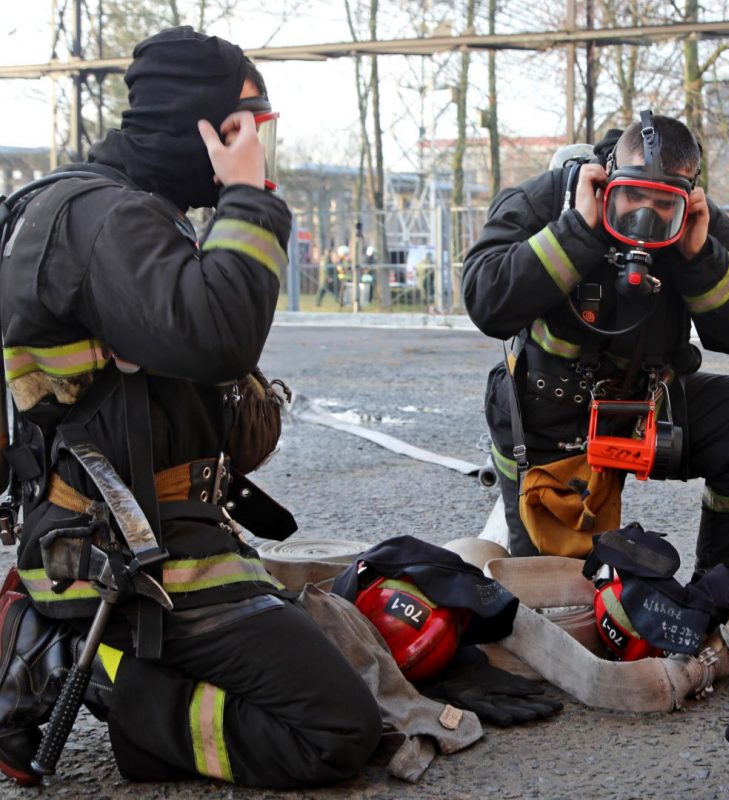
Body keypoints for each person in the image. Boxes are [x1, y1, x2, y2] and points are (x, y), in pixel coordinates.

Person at [0, 27, 380, 788]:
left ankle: (65, 646)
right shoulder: (110, 222)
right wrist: (250, 196)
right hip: (130, 561)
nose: (257, 147)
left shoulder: (102, 210)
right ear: (202, 125)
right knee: (334, 729)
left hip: (135, 534)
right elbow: (220, 339)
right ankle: (83, 665)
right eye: (246, 129)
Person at [462, 112, 729, 592]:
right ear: (608, 181)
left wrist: (698, 257)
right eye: (632, 198)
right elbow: (485, 301)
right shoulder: (551, 199)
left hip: (646, 407)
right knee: (559, 601)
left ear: (688, 194)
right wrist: (579, 231)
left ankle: (726, 596)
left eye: (663, 204)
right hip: (549, 419)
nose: (646, 215)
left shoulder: (694, 220)